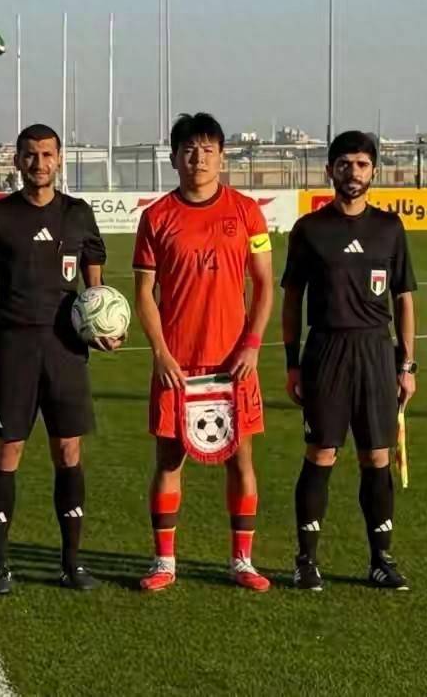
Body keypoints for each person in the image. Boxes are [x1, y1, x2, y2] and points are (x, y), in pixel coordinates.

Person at [0, 123, 122, 595]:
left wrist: (106, 328)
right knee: (8, 450)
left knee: (68, 451)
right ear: (17, 161)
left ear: (59, 159)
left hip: (65, 351)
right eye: (30, 155)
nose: (39, 163)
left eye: (47, 154)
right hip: (12, 349)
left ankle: (71, 563)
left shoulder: (78, 214)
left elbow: (95, 287)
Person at [132, 113, 274, 593]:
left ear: (222, 156)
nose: (199, 158)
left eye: (208, 149)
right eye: (189, 150)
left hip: (233, 363)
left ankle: (242, 561)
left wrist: (251, 346)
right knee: (169, 460)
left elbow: (264, 285)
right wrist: (161, 353)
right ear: (174, 158)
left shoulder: (247, 212)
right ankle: (164, 561)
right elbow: (144, 293)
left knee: (241, 459)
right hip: (178, 364)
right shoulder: (156, 217)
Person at [281, 130, 417, 591]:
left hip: (377, 352)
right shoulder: (309, 230)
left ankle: (381, 560)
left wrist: (407, 365)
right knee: (321, 453)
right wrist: (292, 363)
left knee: (376, 456)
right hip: (326, 351)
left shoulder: (390, 229)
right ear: (330, 171)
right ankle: (306, 561)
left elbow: (404, 299)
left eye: (361, 164)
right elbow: (292, 300)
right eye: (344, 164)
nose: (352, 172)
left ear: (373, 171)